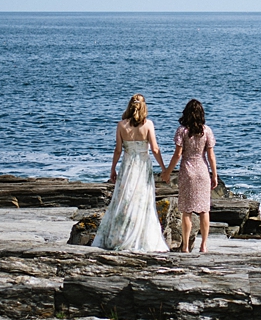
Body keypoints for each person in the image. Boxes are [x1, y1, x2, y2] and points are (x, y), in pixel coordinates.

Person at [91, 94, 169, 252]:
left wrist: (113, 169)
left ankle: (121, 234)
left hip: (127, 166)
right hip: (142, 166)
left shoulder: (121, 125)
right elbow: (154, 149)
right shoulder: (148, 125)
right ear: (144, 107)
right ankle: (140, 237)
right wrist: (163, 168)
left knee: (124, 200)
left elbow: (118, 150)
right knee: (142, 200)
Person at [161, 98, 217, 253]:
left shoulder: (182, 131)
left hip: (187, 170)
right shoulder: (207, 131)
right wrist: (215, 175)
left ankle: (185, 246)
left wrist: (167, 172)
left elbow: (177, 154)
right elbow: (211, 156)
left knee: (187, 210)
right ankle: (204, 245)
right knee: (204, 210)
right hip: (203, 170)